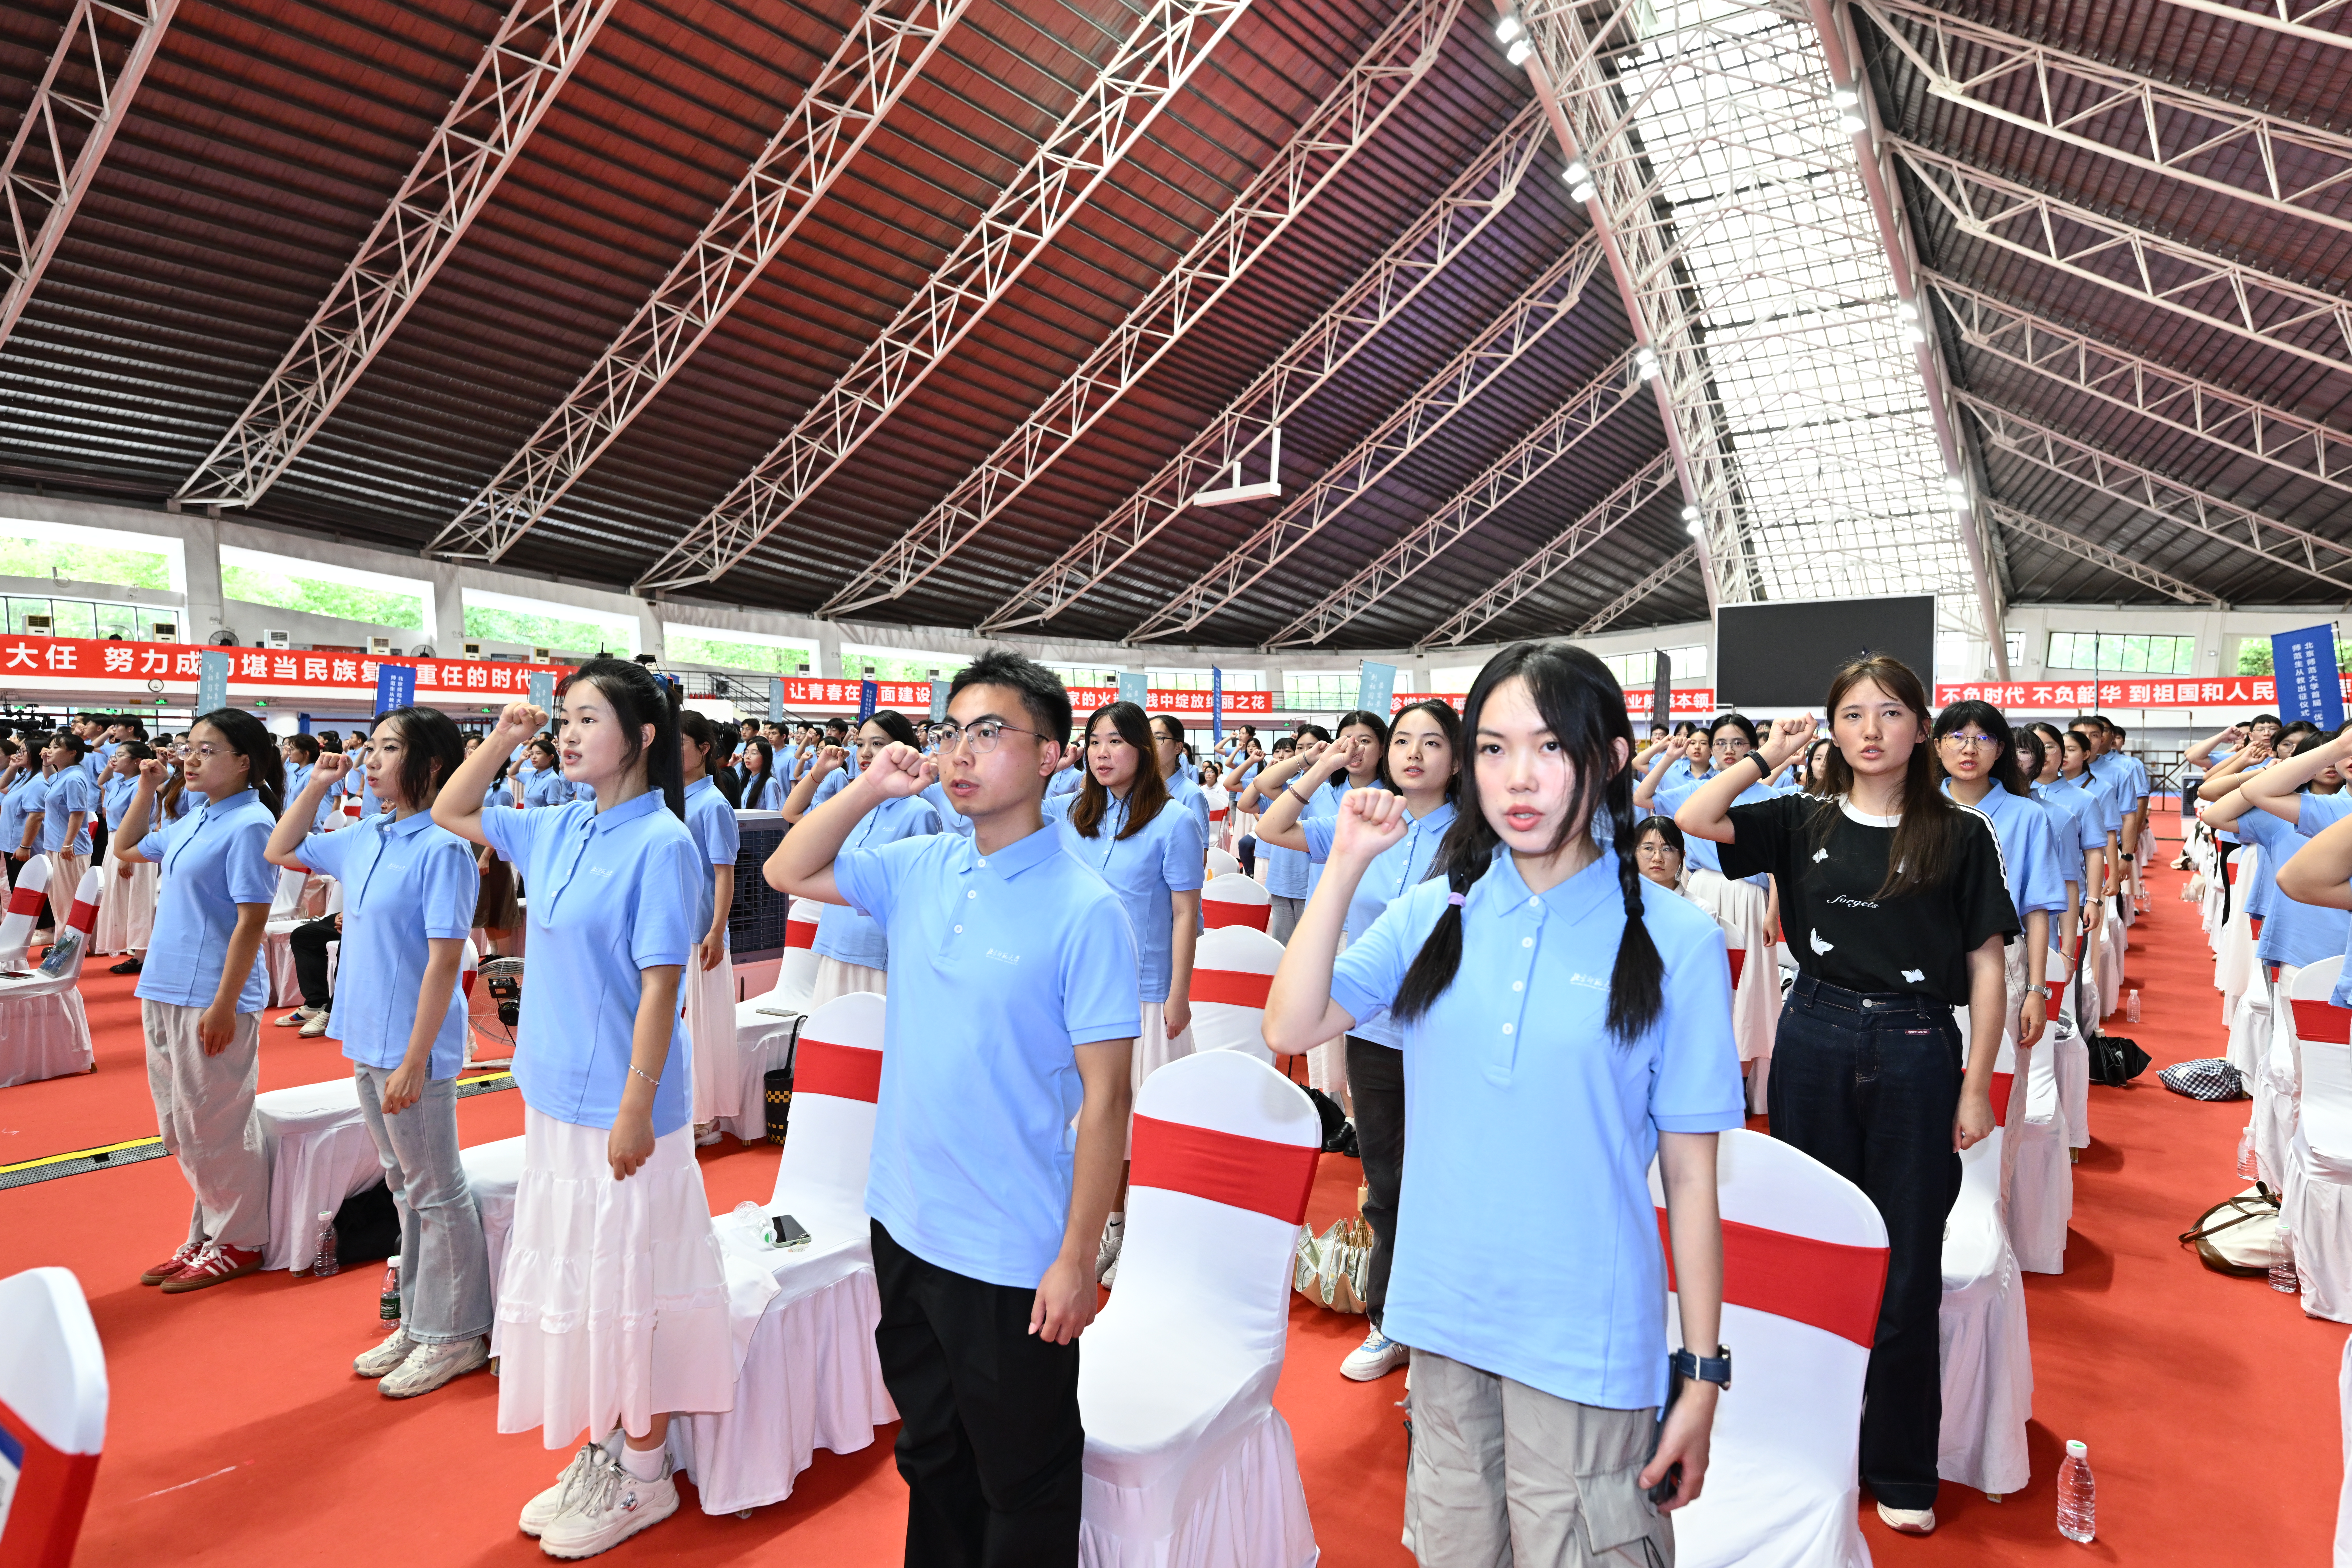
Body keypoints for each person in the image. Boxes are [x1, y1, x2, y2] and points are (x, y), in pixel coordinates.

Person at [1264, 642, 1737, 1561]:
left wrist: (1701, 1374)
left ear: (1611, 758)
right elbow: (1290, 1022)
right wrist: (1346, 863)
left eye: (1550, 747)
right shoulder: (1437, 912)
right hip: (1442, 1320)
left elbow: (1690, 1180)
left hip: (1586, 1340)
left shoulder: (1676, 940)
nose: (1517, 778)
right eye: (1491, 748)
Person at [767, 650, 1139, 1564]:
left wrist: (1076, 1257)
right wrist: (870, 786)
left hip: (1010, 1246)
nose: (960, 752)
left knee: (1023, 1478)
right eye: (951, 731)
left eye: (990, 732)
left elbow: (1107, 1101)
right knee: (932, 1454)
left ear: (1050, 755)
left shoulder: (1086, 909)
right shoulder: (922, 865)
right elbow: (786, 866)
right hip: (904, 1218)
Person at [1677, 655, 2014, 1535]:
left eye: (1891, 712)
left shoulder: (1960, 834)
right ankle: (1802, 1438)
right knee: (1810, 1246)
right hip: (1815, 1035)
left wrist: (1976, 1085)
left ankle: (1900, 1464)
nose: (1872, 729)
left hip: (1917, 1045)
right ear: (1832, 727)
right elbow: (1693, 817)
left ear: (1921, 730)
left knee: (1907, 1261)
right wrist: (1769, 754)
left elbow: (1987, 966)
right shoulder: (1799, 818)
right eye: (1853, 713)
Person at [432, 661, 737, 1558]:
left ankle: (646, 1471)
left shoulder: (663, 843)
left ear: (642, 737)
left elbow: (660, 988)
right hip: (555, 1096)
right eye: (563, 718)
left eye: (588, 718)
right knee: (585, 1275)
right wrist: (502, 737)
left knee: (634, 1279)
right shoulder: (560, 823)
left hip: (623, 1107)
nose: (567, 733)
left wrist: (637, 1106)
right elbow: (452, 809)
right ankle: (607, 1444)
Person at [267, 707, 493, 1398]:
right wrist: (317, 781)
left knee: (436, 1189)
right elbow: (282, 847)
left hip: (410, 1045)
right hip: (366, 1036)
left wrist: (417, 1058)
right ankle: (424, 1319)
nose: (370, 759)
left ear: (431, 764)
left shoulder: (444, 847)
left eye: (388, 749)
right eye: (370, 747)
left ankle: (457, 1331)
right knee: (404, 1185)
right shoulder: (367, 834)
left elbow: (444, 961)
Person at [1259, 698, 1461, 1384]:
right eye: (1402, 741)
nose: (1413, 754)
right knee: (1385, 1181)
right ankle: (1390, 1321)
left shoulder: (1477, 839)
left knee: (1447, 1180)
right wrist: (1324, 763)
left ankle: (1444, 1323)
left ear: (1457, 759)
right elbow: (1271, 826)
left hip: (1446, 1035)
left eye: (1431, 742)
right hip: (1372, 1026)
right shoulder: (1367, 821)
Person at [118, 709, 285, 1294]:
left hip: (212, 991)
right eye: (189, 747)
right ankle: (211, 1228)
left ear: (244, 762)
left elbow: (252, 921)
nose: (190, 758)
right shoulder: (197, 815)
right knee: (180, 1125)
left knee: (216, 1122)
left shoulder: (251, 824)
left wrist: (226, 1003)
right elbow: (126, 847)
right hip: (165, 984)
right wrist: (147, 788)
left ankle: (240, 1240)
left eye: (207, 750)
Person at [1056, 699, 1204, 1288]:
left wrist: (1178, 993)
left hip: (1144, 995)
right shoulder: (1073, 815)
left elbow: (1185, 912)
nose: (1102, 752)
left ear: (1143, 749)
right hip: (1079, 993)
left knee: (1139, 1124)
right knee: (1091, 1120)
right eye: (1094, 741)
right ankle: (1108, 1224)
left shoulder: (1175, 821)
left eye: (1115, 741)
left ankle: (1140, 1229)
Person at [781, 710, 943, 1005]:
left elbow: (923, 898)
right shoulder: (851, 806)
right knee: (829, 1030)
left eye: (878, 744)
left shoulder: (919, 812)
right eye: (860, 744)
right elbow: (791, 813)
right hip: (834, 944)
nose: (866, 753)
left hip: (882, 954)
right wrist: (819, 771)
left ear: (905, 749)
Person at [1933, 701, 2066, 1058]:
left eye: (1983, 738)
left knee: (1997, 1076)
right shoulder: (1915, 811)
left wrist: (2036, 989)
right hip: (1925, 956)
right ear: (1937, 745)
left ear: (2000, 749)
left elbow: (2037, 909)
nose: (1969, 749)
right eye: (1957, 737)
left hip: (2001, 958)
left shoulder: (2029, 815)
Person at [677, 711, 741, 1145]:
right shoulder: (671, 799)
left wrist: (717, 931)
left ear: (704, 749)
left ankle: (705, 1119)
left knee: (702, 1029)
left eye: (679, 744)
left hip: (701, 931)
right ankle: (687, 1110)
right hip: (673, 926)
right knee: (680, 1028)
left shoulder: (713, 804)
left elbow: (724, 873)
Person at [96, 740, 159, 971]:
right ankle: (134, 950)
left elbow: (141, 823)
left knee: (138, 899)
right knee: (120, 897)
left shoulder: (141, 786)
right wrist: (111, 764)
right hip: (116, 842)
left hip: (135, 845)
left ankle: (142, 955)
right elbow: (100, 782)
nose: (114, 759)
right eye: (113, 755)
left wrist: (127, 856)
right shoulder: (119, 783)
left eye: (120, 755)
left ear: (136, 761)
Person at [38, 730, 97, 931]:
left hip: (70, 848)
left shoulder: (74, 778)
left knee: (71, 902)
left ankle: (72, 945)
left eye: (56, 747)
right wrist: (46, 763)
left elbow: (78, 813)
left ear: (72, 753)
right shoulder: (63, 775)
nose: (50, 750)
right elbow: (51, 780)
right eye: (50, 746)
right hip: (55, 845)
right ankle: (63, 943)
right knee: (59, 902)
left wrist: (68, 843)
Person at [1634, 813, 1689, 892]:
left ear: (1681, 857)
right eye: (1649, 848)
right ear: (1634, 853)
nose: (1657, 858)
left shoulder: (1693, 901)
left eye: (1667, 849)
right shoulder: (1620, 899)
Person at [736, 735, 783, 810]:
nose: (748, 757)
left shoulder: (770, 783)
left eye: (754, 753)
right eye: (746, 752)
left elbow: (773, 814)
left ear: (765, 757)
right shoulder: (746, 781)